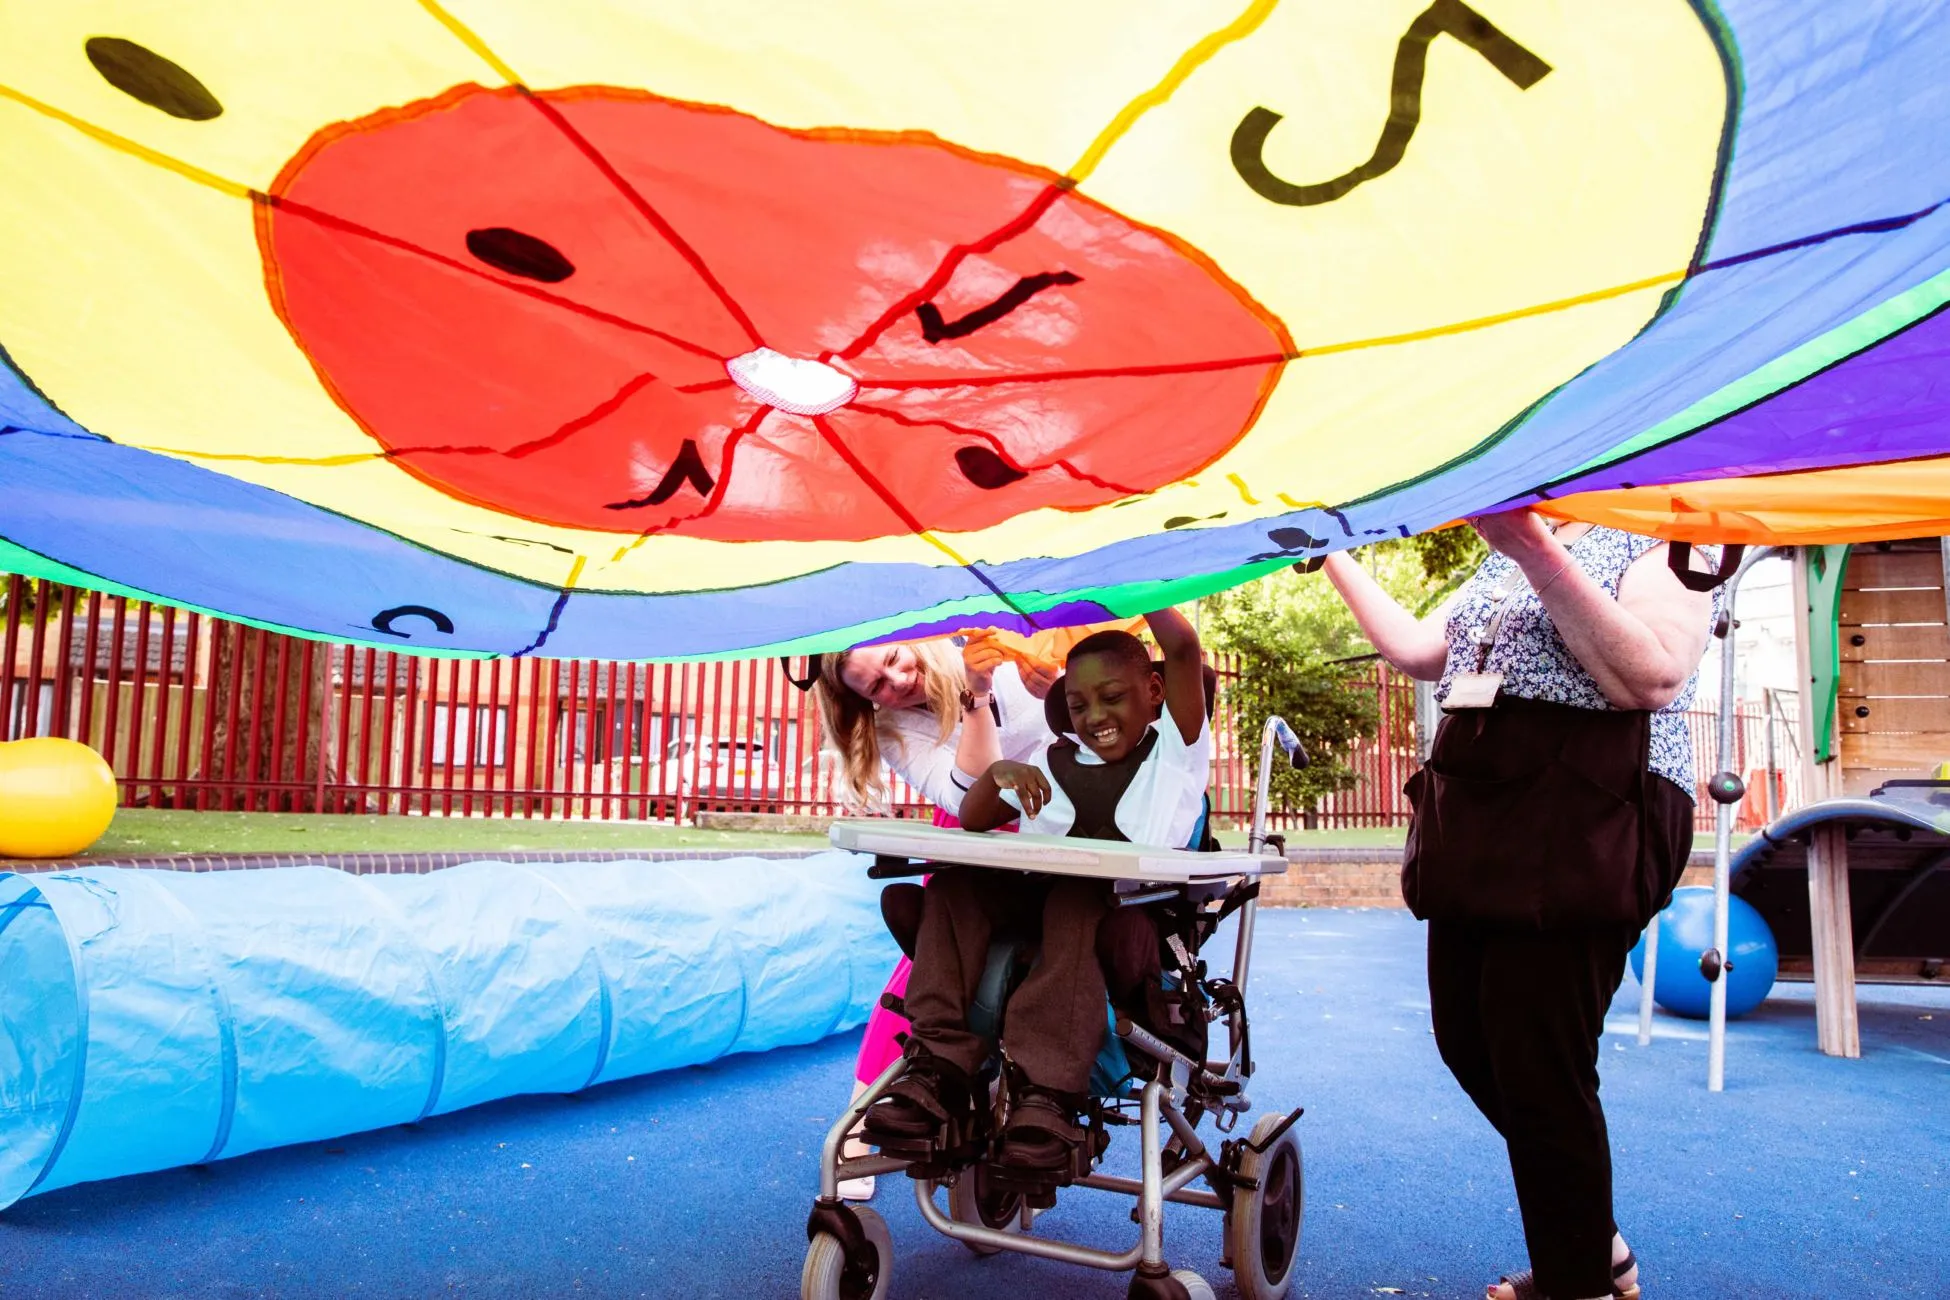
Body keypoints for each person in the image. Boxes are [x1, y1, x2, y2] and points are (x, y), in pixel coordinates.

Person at [1324, 511, 1718, 1300]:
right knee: (1467, 1038)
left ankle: (1577, 1281)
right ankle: (1590, 1240)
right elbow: (1418, 651)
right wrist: (1328, 555)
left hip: (1587, 813)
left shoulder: (1654, 538)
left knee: (1540, 1065)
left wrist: (1532, 547)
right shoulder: (1499, 559)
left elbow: (1656, 675)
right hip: (1483, 813)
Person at [861, 608, 1211, 1186]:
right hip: (1044, 908)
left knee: (1074, 899)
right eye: (1078, 704)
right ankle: (939, 1068)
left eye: (1113, 697)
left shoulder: (1175, 748)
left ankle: (1047, 1093)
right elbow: (972, 818)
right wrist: (998, 773)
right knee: (956, 884)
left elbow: (1181, 649)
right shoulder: (1054, 760)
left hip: (1127, 920)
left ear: (1154, 692)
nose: (1095, 715)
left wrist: (1140, 585)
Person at [813, 630, 1056, 1199]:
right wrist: (975, 697)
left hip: (1054, 821)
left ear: (914, 642)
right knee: (932, 966)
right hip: (976, 833)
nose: (897, 682)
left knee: (1025, 964)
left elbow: (1064, 725)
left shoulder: (980, 650)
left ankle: (1022, 1100)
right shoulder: (895, 728)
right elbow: (970, 796)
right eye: (877, 686)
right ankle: (866, 1114)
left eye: (895, 660)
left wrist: (1036, 684)